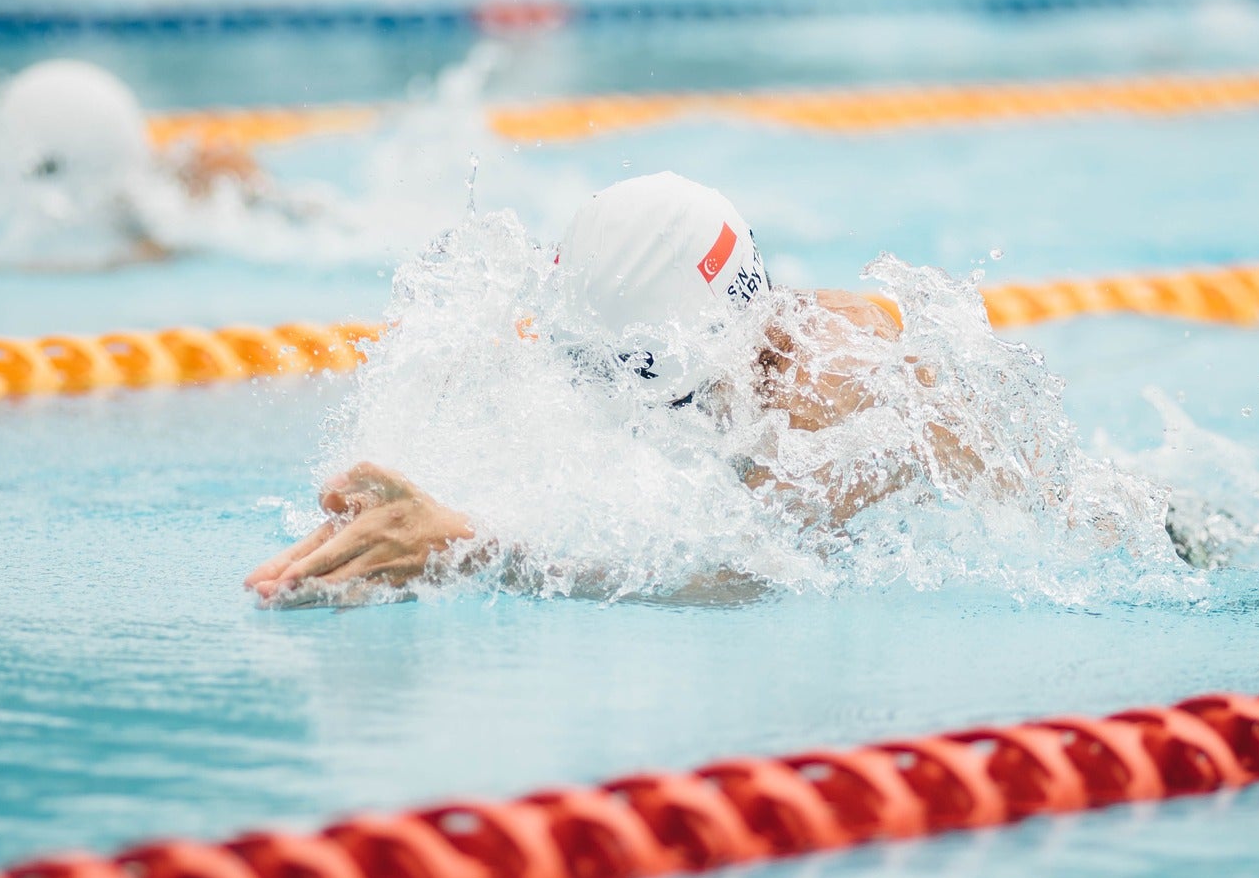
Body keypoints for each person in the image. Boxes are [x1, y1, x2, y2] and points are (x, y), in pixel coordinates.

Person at [247, 172, 1170, 606]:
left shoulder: (836, 387)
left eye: (660, 394)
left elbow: (728, 574)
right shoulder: (706, 340)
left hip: (1143, 548)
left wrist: (470, 544)